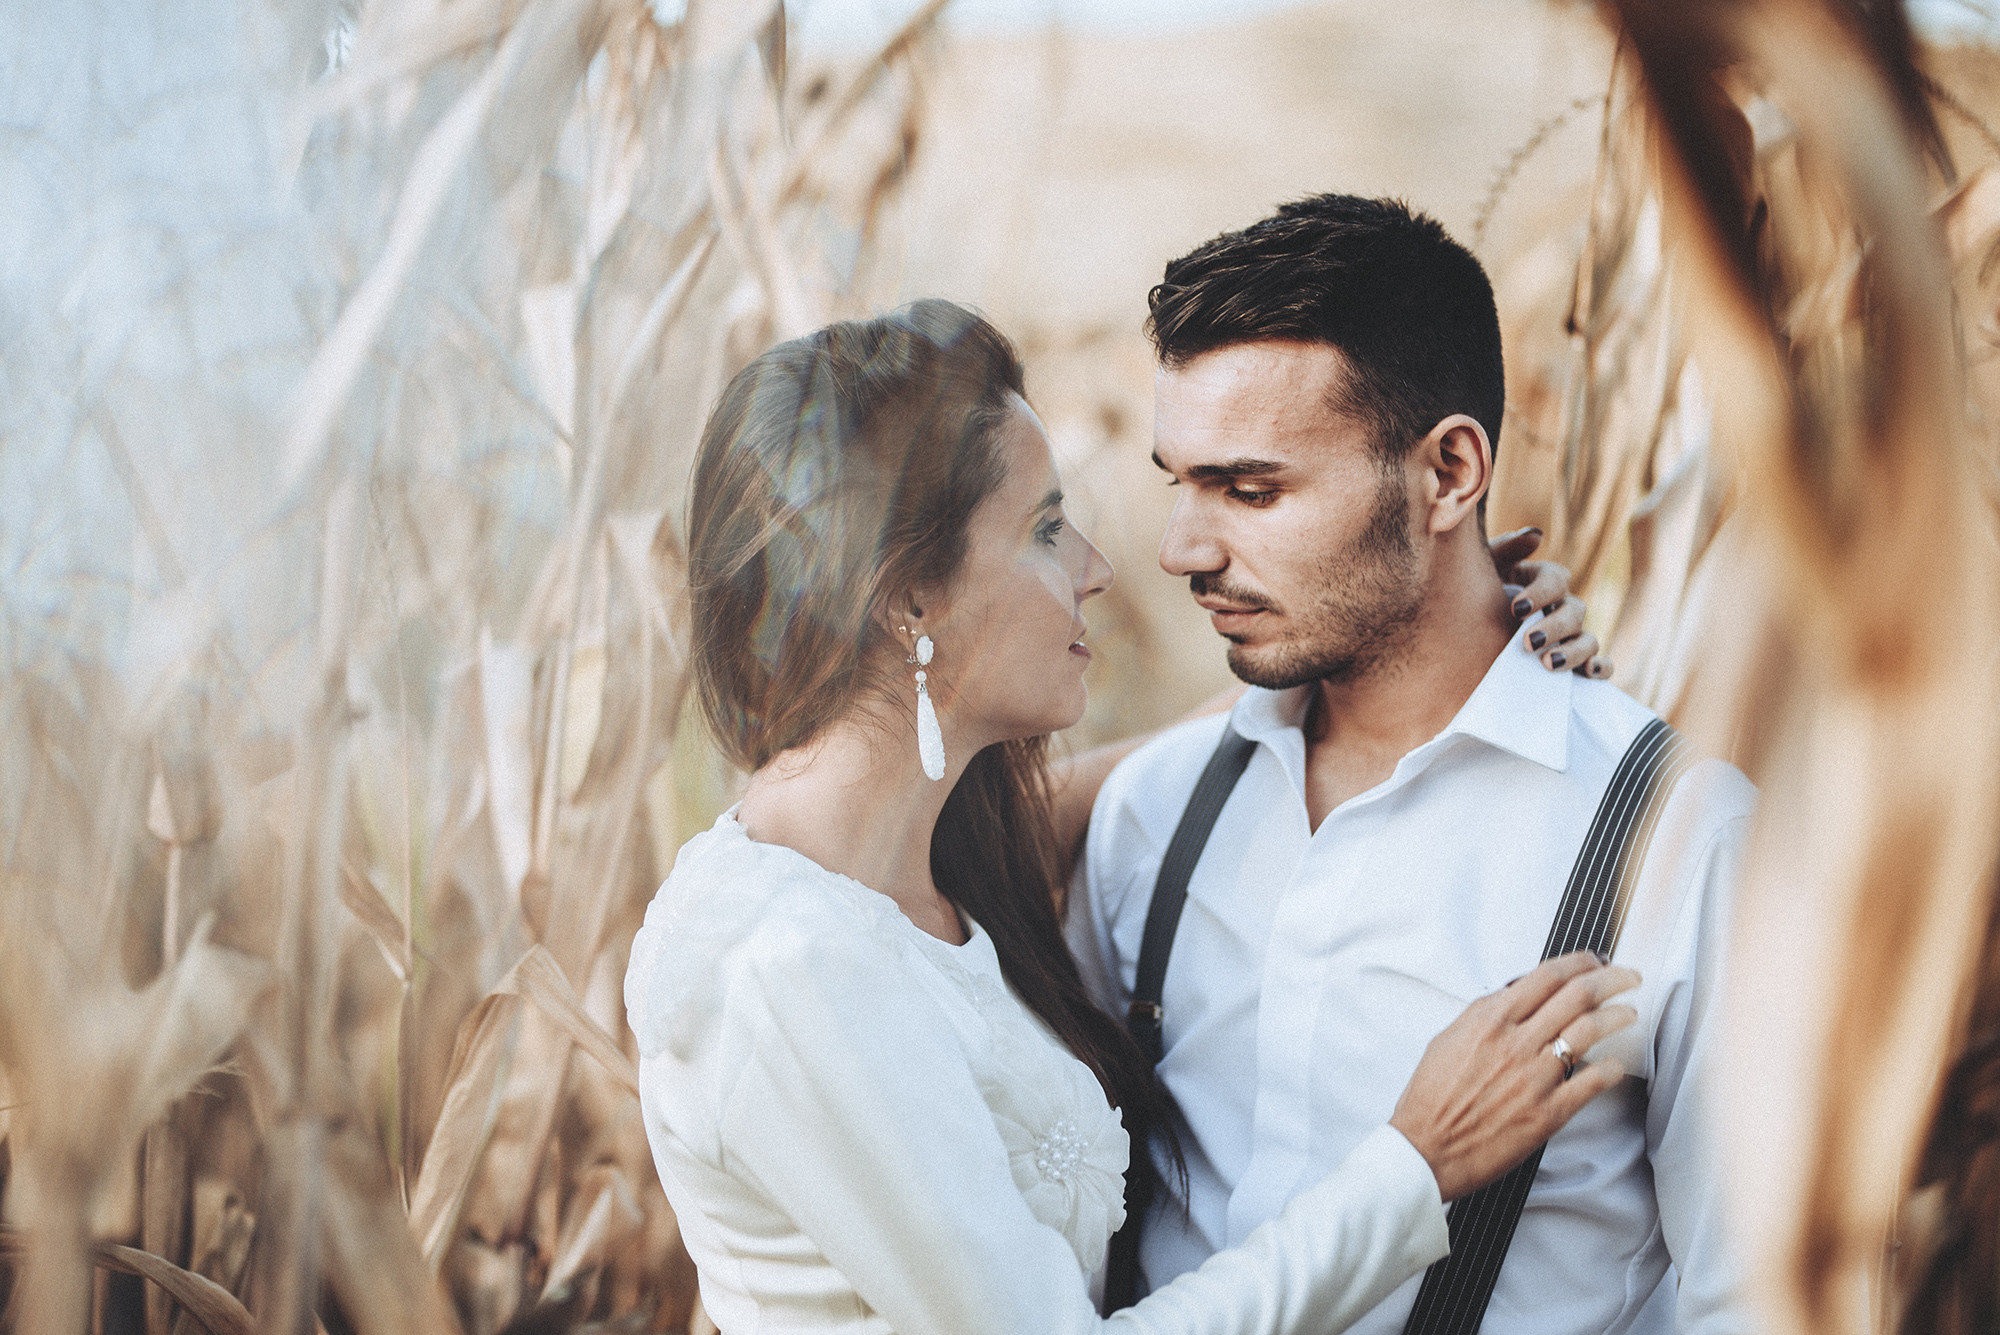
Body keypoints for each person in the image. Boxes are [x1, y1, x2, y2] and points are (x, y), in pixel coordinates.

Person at [624, 299, 1644, 1334]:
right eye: (1043, 529)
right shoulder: (787, 968)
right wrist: (1416, 1164)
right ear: (910, 599)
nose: (1097, 568)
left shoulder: (929, 860)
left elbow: (1179, 756)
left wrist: (1434, 613)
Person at [1069, 196, 1758, 1333]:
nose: (1181, 549)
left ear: (1448, 472)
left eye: (1251, 490)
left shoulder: (1679, 838)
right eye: (1177, 482)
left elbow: (1760, 1297)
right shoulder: (1150, 812)